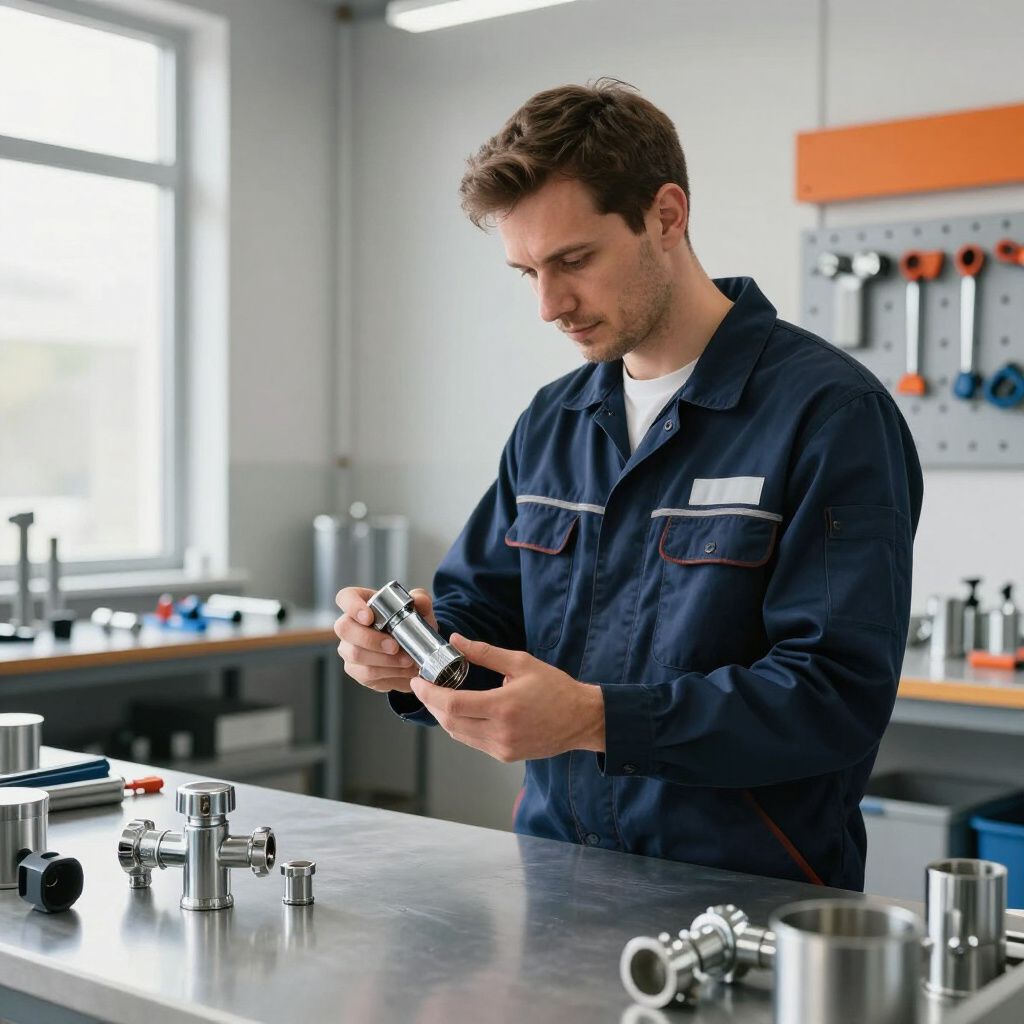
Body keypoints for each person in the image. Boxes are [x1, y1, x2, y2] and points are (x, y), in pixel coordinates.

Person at [335, 79, 923, 890]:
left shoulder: (828, 415)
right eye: (526, 272)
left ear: (667, 216)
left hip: (750, 892)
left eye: (574, 260)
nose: (549, 305)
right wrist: (412, 651)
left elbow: (832, 695)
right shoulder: (554, 421)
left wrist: (595, 720)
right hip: (560, 873)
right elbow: (484, 610)